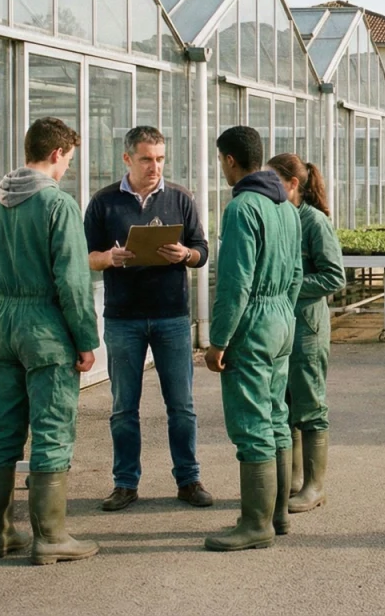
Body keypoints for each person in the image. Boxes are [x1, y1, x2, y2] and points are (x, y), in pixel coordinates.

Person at [0, 117, 100, 564]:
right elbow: (72, 279)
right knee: (51, 429)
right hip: (45, 328)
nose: (66, 168)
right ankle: (50, 537)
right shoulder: (56, 204)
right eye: (68, 159)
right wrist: (85, 338)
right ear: (56, 154)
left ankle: (0, 533)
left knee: (4, 430)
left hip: (4, 323)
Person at [84, 126, 212, 513]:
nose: (154, 166)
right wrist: (109, 258)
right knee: (124, 407)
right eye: (146, 159)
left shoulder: (179, 198)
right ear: (127, 159)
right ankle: (125, 483)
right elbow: (86, 256)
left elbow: (202, 249)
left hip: (171, 315)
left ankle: (188, 479)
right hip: (123, 318)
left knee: (182, 405)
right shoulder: (104, 203)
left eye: (159, 159)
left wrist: (185, 255)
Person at [204, 126, 302, 551]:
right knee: (277, 417)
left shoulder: (243, 208)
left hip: (254, 321)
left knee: (251, 425)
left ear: (229, 160)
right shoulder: (286, 207)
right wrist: (283, 313)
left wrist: (219, 340)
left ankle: (254, 524)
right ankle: (277, 515)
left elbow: (234, 283)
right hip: (282, 317)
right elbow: (297, 272)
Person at [266, 154, 344, 515]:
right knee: (285, 401)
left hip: (307, 327)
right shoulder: (281, 217)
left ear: (293, 184)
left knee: (310, 403)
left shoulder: (314, 221)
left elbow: (334, 277)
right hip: (282, 325)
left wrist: (290, 285)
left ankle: (314, 486)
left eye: (273, 180)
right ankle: (293, 480)